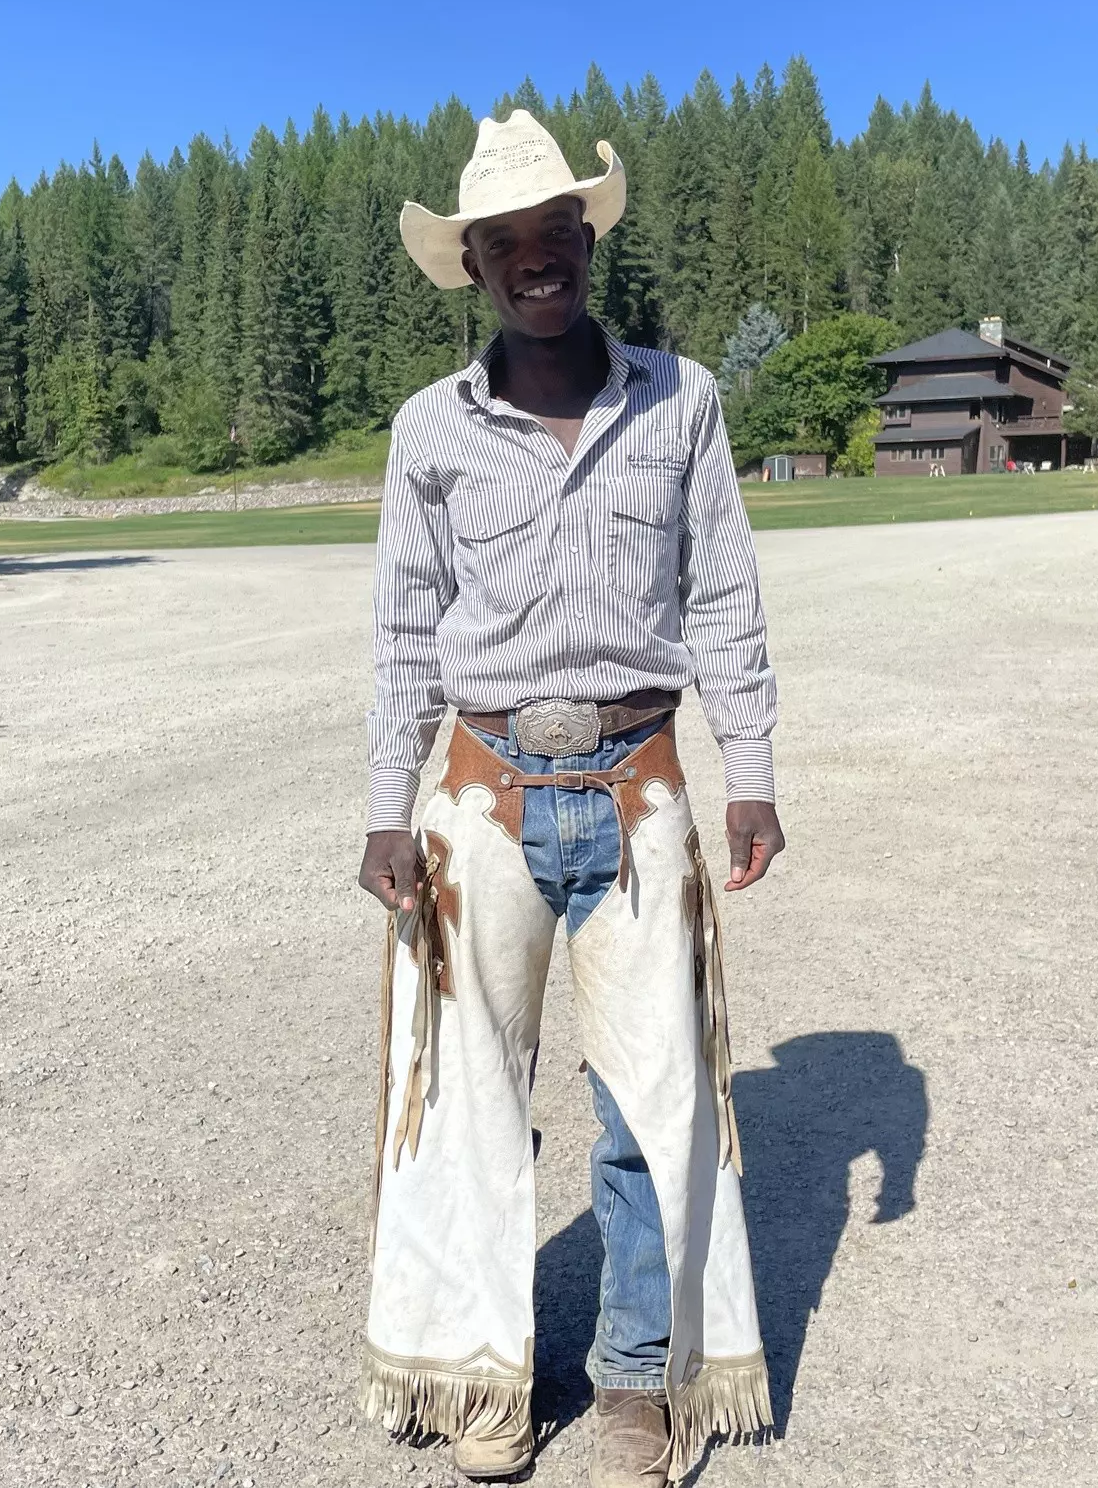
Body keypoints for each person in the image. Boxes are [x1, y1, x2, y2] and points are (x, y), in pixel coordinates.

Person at [356, 109, 784, 1487]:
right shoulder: (430, 430)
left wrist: (751, 775)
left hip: (640, 780)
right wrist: (382, 801)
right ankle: (484, 1375)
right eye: (505, 244)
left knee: (649, 1100)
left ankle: (634, 1382)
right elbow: (405, 630)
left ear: (585, 243)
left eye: (556, 234)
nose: (535, 261)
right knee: (471, 1096)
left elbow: (723, 597)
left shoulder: (684, 399)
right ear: (471, 264)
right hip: (478, 794)